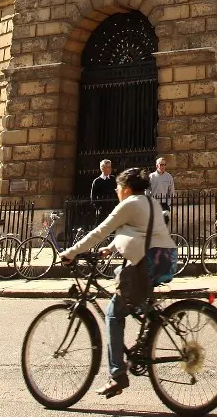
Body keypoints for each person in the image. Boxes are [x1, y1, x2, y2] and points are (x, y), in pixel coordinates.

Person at [60, 167, 177, 398]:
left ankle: (117, 376)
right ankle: (152, 323)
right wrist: (111, 248)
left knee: (114, 314)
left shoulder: (129, 203)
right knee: (125, 285)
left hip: (147, 263)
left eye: (117, 187)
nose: (115, 190)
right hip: (164, 259)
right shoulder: (150, 202)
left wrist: (71, 252)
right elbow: (140, 229)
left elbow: (100, 230)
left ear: (125, 188)